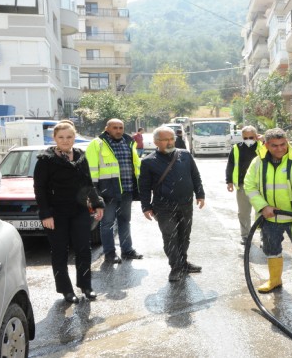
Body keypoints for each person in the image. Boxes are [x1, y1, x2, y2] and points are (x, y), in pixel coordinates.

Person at [243, 128, 292, 300]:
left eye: (282, 144)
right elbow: (249, 186)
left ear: (287, 142)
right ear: (265, 144)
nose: (279, 149)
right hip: (270, 217)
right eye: (274, 146)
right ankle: (274, 280)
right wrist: (263, 206)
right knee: (271, 249)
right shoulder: (257, 163)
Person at [33, 121, 105, 303]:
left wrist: (97, 204)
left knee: (83, 249)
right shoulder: (45, 160)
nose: (65, 141)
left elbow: (88, 183)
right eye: (61, 137)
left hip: (79, 211)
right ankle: (66, 290)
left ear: (74, 137)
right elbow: (39, 189)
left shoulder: (80, 156)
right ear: (54, 138)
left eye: (69, 137)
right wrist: (46, 214)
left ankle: (86, 286)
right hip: (56, 213)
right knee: (59, 252)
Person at [139, 126, 205, 282]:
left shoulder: (185, 155)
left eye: (172, 139)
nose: (170, 142)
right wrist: (146, 206)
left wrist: (200, 194)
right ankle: (175, 268)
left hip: (186, 204)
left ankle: (183, 262)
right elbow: (144, 187)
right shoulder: (148, 162)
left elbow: (195, 176)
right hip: (163, 207)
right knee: (170, 237)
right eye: (165, 139)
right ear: (156, 142)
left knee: (184, 236)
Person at [86, 119, 143, 264]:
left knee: (125, 221)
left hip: (127, 190)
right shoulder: (97, 144)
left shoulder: (129, 142)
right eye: (115, 128)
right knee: (107, 223)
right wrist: (94, 194)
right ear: (107, 129)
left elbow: (136, 165)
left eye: (121, 128)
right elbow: (90, 171)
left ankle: (127, 250)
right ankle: (110, 253)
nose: (118, 130)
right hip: (107, 192)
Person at [226, 125, 263, 245]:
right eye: (245, 137)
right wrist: (229, 181)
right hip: (243, 185)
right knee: (243, 213)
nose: (248, 140)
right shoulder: (236, 148)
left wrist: (264, 141)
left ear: (256, 136)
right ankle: (245, 236)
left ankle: (264, 236)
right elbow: (230, 165)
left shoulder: (263, 147)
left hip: (260, 185)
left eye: (251, 137)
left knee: (262, 211)